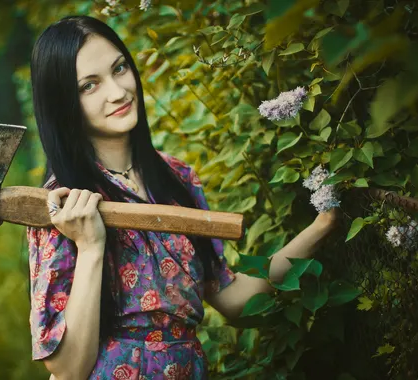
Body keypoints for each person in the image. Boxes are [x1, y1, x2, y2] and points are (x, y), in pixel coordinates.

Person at [25, 15, 338, 380]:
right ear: (63, 103)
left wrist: (324, 225)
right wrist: (92, 247)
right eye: (89, 86)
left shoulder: (178, 179)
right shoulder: (65, 204)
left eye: (119, 68)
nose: (117, 91)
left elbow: (234, 300)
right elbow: (67, 369)